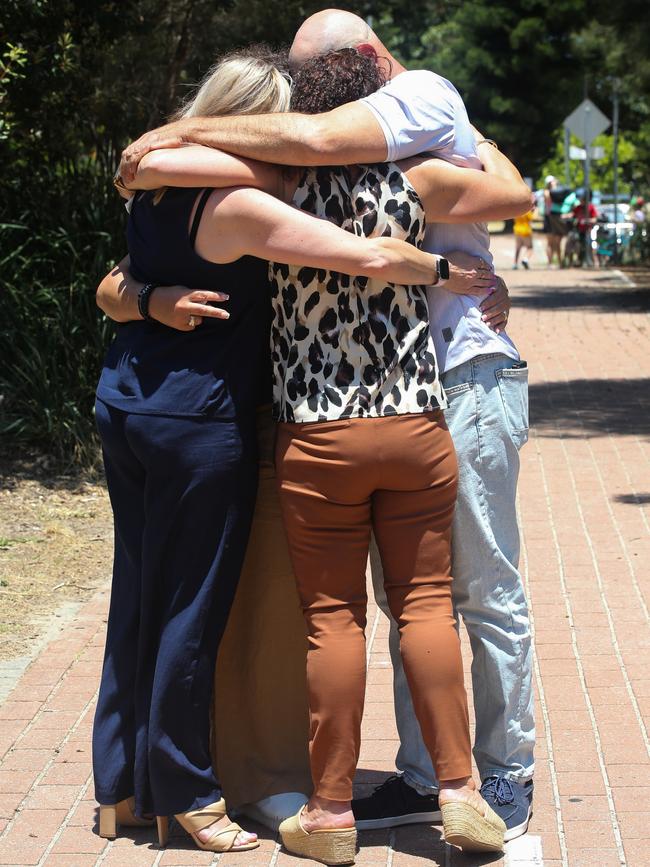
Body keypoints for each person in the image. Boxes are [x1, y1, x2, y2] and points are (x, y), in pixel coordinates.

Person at [117, 9, 536, 843]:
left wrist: (148, 156)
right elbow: (514, 193)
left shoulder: (279, 186)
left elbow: (165, 167)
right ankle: (460, 788)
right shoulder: (418, 180)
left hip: (318, 434)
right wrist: (460, 265)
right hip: (417, 422)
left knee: (334, 618)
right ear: (372, 86)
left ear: (306, 108)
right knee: (426, 606)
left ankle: (332, 810)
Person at [543, 175, 568, 266]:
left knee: (557, 241)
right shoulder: (547, 192)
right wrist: (553, 188)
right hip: (549, 218)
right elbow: (549, 200)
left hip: (555, 216)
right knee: (550, 242)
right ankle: (550, 263)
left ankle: (560, 261)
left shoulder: (558, 192)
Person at [571, 191, 598, 267]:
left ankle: (594, 262)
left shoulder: (591, 207)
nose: (580, 201)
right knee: (577, 245)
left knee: (591, 245)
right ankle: (579, 260)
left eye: (582, 199)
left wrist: (587, 221)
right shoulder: (578, 207)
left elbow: (595, 219)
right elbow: (573, 214)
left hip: (589, 230)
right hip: (580, 231)